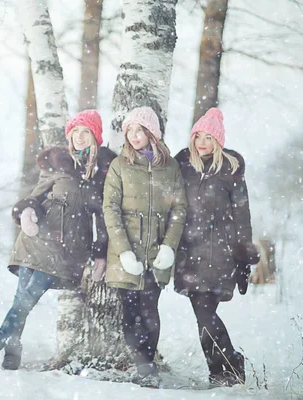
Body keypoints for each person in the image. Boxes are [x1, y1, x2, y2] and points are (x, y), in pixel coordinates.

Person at [0, 110, 116, 375]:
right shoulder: (58, 164)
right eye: (76, 132)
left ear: (95, 137)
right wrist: (26, 212)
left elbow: (104, 217)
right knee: (21, 299)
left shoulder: (103, 173)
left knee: (26, 300)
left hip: (67, 250)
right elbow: (33, 197)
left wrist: (101, 253)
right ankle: (11, 347)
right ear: (69, 136)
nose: (80, 137)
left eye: (86, 132)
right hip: (36, 240)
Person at [174, 108, 260, 386]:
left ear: (218, 141)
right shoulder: (183, 166)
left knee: (205, 314)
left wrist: (244, 259)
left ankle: (230, 366)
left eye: (209, 137)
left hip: (220, 255)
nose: (202, 142)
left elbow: (242, 216)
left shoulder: (230, 171)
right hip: (188, 256)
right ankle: (221, 371)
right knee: (203, 317)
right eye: (198, 135)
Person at [103, 106, 187, 387]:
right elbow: (110, 209)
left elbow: (179, 209)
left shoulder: (170, 167)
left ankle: (147, 365)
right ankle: (142, 364)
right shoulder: (119, 165)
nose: (135, 136)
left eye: (140, 130)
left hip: (156, 251)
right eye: (130, 131)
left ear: (152, 133)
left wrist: (169, 247)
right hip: (124, 252)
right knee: (130, 313)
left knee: (150, 308)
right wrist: (124, 251)